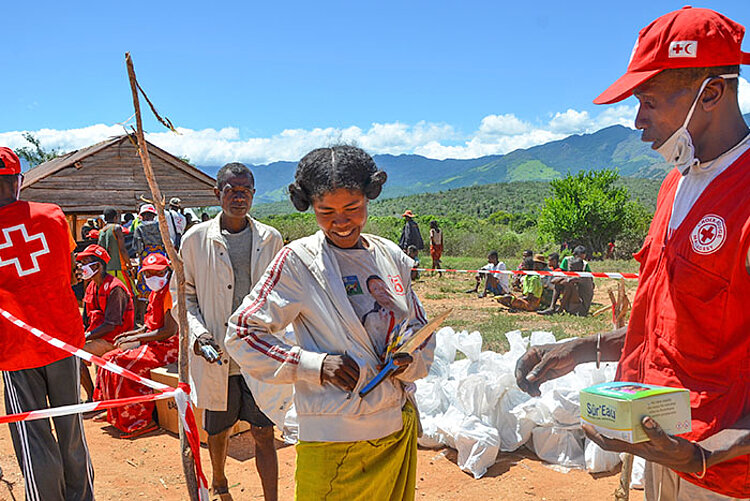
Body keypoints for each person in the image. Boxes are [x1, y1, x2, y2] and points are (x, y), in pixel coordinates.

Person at [515, 7, 750, 500]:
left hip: (727, 475)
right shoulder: (674, 186)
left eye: (648, 100)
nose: (638, 120)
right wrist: (584, 349)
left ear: (710, 92)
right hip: (666, 454)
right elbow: (676, 323)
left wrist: (710, 453)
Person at [225, 145, 434, 501]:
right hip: (333, 439)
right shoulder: (299, 262)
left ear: (370, 197)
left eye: (352, 208)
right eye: (326, 212)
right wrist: (315, 365)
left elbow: (417, 325)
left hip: (395, 430)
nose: (341, 221)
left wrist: (408, 358)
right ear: (311, 208)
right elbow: (242, 333)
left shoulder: (390, 257)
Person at [180, 162, 283, 501]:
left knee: (264, 431)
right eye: (231, 190)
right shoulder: (195, 240)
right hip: (217, 351)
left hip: (258, 352)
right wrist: (199, 336)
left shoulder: (270, 238)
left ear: (253, 195)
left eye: (245, 191)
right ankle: (220, 481)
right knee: (219, 429)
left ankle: (271, 497)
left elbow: (280, 292)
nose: (239, 197)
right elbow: (184, 297)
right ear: (217, 194)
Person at [0, 147, 95, 500]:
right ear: (18, 181)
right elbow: (66, 273)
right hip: (61, 338)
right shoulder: (52, 216)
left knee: (33, 436)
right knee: (71, 430)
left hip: (15, 348)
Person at [95, 253, 178, 438]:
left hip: (168, 348)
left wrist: (138, 340)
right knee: (108, 360)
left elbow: (169, 331)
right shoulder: (155, 293)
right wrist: (130, 334)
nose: (151, 278)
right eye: (147, 274)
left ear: (167, 271)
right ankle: (113, 412)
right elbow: (149, 325)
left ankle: (140, 421)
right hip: (156, 343)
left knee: (124, 365)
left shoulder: (171, 294)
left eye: (157, 273)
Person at [76, 244, 135, 402]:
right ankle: (96, 395)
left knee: (75, 355)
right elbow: (86, 318)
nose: (81, 267)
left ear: (97, 265)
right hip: (100, 336)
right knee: (73, 348)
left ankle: (92, 399)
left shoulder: (115, 288)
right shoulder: (91, 287)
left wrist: (85, 337)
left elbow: (111, 324)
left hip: (115, 339)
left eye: (85, 262)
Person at [97, 206, 135, 291]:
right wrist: (129, 264)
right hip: (118, 268)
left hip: (106, 268)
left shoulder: (101, 231)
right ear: (116, 217)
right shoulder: (116, 228)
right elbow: (122, 249)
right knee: (129, 293)